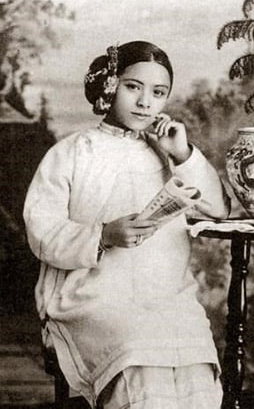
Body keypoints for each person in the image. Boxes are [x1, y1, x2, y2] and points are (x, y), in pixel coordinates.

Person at [24, 40, 230, 409]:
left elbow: (218, 209)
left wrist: (181, 154)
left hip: (165, 295)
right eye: (133, 87)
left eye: (158, 92)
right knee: (138, 359)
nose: (144, 102)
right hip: (91, 296)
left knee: (194, 361)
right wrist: (102, 235)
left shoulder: (164, 152)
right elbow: (41, 229)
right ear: (109, 85)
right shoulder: (72, 152)